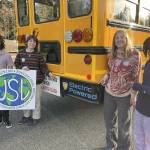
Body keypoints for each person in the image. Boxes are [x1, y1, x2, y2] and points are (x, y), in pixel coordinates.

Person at [100, 30, 141, 150]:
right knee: (109, 122)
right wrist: (106, 76)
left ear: (127, 39)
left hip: (125, 94)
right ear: (114, 41)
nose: (119, 39)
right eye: (116, 37)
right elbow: (110, 70)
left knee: (124, 126)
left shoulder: (134, 54)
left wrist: (134, 94)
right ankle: (111, 145)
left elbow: (136, 75)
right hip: (109, 92)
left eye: (122, 37)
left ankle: (123, 147)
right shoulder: (111, 54)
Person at [14, 35, 52, 126]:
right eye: (30, 41)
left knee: (36, 101)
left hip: (37, 81)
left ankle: (35, 118)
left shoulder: (38, 55)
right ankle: (26, 116)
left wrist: (48, 73)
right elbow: (16, 64)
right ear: (27, 42)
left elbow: (43, 67)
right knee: (26, 100)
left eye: (34, 42)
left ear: (36, 44)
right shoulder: (20, 53)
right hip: (25, 82)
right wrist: (21, 67)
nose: (32, 43)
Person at [132, 37, 150, 150]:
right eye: (148, 50)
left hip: (148, 112)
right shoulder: (148, 62)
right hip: (140, 107)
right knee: (138, 136)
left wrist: (136, 86)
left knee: (148, 139)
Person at [0, 34, 14, 128]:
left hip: (4, 82)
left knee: (5, 101)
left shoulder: (7, 55)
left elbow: (10, 69)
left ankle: (6, 120)